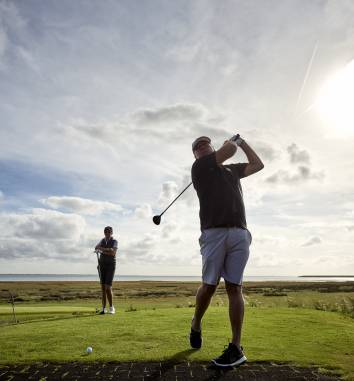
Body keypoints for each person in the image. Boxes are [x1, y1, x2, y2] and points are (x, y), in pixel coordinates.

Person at [190, 134, 264, 367]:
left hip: (240, 232)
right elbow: (228, 151)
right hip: (214, 232)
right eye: (198, 146)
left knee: (235, 287)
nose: (202, 147)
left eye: (205, 144)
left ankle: (236, 348)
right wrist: (231, 143)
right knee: (209, 287)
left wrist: (242, 142)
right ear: (196, 154)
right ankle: (196, 323)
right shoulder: (200, 167)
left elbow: (258, 164)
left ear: (211, 147)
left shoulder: (231, 171)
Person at [95, 226, 118, 314]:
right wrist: (107, 250)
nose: (107, 233)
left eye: (109, 232)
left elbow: (113, 252)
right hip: (101, 265)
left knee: (108, 287)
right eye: (106, 232)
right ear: (104, 232)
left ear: (111, 233)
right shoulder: (102, 240)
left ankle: (112, 307)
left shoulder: (115, 241)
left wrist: (102, 250)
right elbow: (96, 247)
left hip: (110, 265)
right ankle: (103, 308)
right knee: (103, 288)